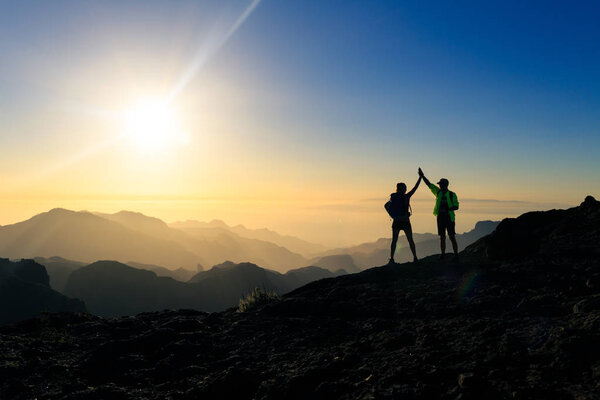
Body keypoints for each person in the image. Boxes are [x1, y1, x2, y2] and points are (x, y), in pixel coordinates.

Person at [418, 167, 460, 261]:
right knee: (442, 236)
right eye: (440, 185)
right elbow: (429, 184)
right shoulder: (438, 192)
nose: (440, 186)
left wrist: (448, 208)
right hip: (440, 217)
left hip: (449, 217)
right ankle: (443, 254)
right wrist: (422, 176)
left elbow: (456, 206)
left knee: (451, 236)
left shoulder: (452, 194)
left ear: (446, 185)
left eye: (441, 184)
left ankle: (456, 254)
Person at [386, 175, 421, 264]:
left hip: (396, 221)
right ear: (403, 189)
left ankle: (392, 259)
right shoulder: (406, 196)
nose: (405, 190)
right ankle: (415, 258)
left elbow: (386, 206)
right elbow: (415, 188)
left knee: (394, 240)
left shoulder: (393, 197)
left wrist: (392, 215)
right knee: (410, 240)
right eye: (405, 188)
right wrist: (420, 177)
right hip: (405, 221)